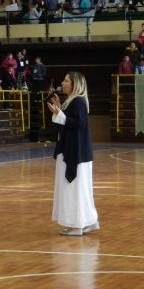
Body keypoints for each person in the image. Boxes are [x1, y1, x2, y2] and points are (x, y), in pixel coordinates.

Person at [46, 71, 98, 236]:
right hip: (75, 151)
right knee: (80, 188)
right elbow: (70, 123)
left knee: (74, 188)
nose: (63, 82)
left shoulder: (78, 102)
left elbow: (77, 124)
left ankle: (78, 225)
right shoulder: (74, 102)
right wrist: (59, 110)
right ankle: (88, 222)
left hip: (75, 153)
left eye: (66, 80)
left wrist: (59, 113)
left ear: (74, 84)